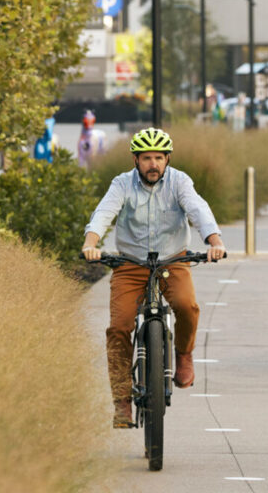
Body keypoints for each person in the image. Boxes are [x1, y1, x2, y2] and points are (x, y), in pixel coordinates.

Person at [82, 128, 227, 428]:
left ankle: (184, 354)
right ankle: (122, 400)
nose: (153, 164)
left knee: (187, 306)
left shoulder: (180, 182)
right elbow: (104, 212)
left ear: (167, 159)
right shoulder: (121, 183)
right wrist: (91, 243)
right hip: (130, 264)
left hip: (173, 261)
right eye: (146, 158)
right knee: (119, 327)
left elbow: (198, 209)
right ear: (135, 159)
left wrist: (214, 241)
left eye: (159, 158)